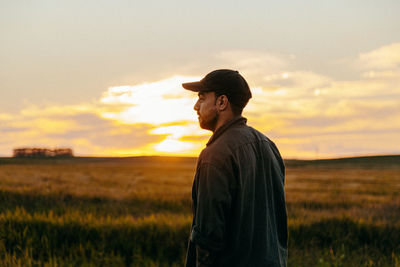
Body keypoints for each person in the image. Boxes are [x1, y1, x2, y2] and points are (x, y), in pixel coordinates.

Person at [182, 69, 288, 267]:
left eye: (202, 98)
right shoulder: (269, 146)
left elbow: (208, 238)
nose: (196, 106)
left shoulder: (215, 155)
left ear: (222, 102)